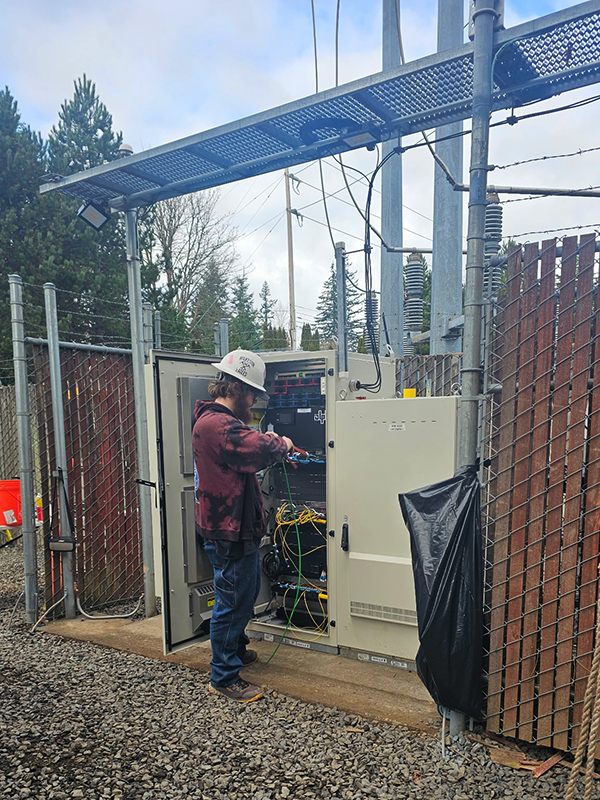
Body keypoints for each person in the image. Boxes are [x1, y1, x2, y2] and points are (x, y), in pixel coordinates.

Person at [192, 349, 294, 703]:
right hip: (228, 530)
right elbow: (257, 448)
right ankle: (223, 675)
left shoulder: (220, 422)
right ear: (235, 387)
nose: (253, 400)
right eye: (252, 392)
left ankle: (234, 650)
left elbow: (246, 453)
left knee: (243, 595)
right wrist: (282, 443)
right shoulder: (216, 425)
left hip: (235, 526)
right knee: (232, 602)